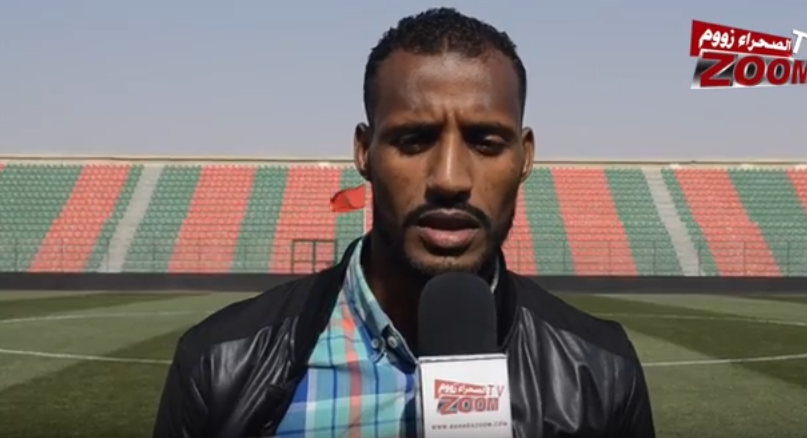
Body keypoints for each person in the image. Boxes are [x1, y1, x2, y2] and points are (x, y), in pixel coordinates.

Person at [153, 7, 656, 438]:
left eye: (486, 142)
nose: (450, 178)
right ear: (364, 152)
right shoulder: (218, 363)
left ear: (524, 157)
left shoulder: (602, 371)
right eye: (413, 140)